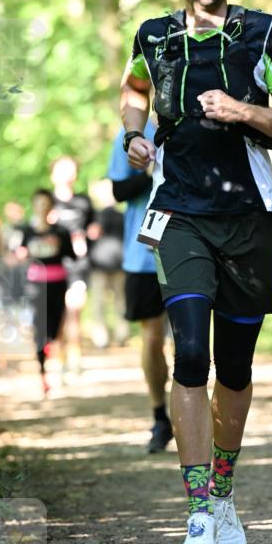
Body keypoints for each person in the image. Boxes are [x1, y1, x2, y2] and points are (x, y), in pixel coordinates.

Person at [119, 0, 272, 544]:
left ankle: (225, 493)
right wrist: (134, 138)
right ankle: (199, 512)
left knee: (234, 367)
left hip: (249, 217)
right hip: (179, 214)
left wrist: (243, 111)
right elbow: (135, 91)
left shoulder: (263, 32)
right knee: (190, 353)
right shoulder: (153, 36)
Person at [108, 119, 173, 453]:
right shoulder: (132, 131)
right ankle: (160, 416)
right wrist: (152, 169)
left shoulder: (202, 118)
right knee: (151, 337)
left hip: (193, 247)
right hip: (143, 252)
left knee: (190, 339)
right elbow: (118, 191)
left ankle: (192, 412)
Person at [16, 189, 76, 396]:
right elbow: (20, 255)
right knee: (39, 330)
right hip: (35, 286)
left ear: (51, 206)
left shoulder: (61, 231)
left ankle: (59, 370)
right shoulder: (27, 231)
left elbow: (72, 256)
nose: (42, 208)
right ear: (34, 205)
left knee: (57, 329)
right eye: (38, 203)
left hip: (58, 283)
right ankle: (43, 376)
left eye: (46, 203)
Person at [50, 156, 98, 380]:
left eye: (71, 169)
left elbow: (95, 230)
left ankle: (75, 361)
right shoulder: (47, 202)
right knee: (58, 315)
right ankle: (58, 361)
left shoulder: (83, 201)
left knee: (74, 312)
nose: (68, 174)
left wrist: (86, 238)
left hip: (78, 266)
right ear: (53, 174)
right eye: (63, 169)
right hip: (54, 267)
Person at [87, 179, 129, 349]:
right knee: (99, 303)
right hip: (99, 266)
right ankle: (102, 337)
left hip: (118, 265)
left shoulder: (121, 215)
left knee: (119, 302)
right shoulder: (96, 215)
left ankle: (121, 335)